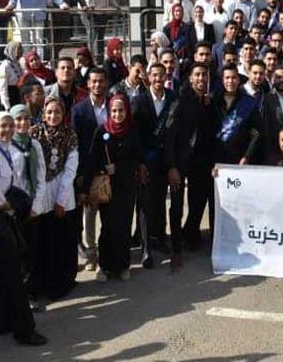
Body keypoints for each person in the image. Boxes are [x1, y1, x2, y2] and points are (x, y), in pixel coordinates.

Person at [0, 113, 48, 346]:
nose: (8, 130)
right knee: (11, 277)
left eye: (11, 125)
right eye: (3, 125)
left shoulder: (0, 149)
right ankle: (24, 330)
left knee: (3, 278)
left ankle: (3, 321)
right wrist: (5, 205)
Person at [164, 63, 215, 267]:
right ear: (191, 78)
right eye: (198, 75)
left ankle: (190, 235)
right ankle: (176, 248)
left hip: (199, 162)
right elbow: (169, 135)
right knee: (176, 207)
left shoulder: (205, 101)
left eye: (204, 75)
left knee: (196, 202)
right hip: (179, 162)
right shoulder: (180, 100)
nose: (201, 78)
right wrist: (172, 167)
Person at [85, 94, 141, 282]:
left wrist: (120, 168)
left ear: (127, 110)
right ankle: (105, 265)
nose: (118, 114)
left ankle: (123, 266)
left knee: (124, 226)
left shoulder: (133, 131)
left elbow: (137, 159)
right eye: (114, 111)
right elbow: (93, 158)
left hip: (126, 187)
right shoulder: (102, 131)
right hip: (107, 187)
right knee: (108, 226)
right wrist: (101, 170)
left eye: (121, 110)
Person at [29, 98, 80, 299]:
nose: (53, 116)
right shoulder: (34, 133)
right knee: (40, 242)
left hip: (62, 194)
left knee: (60, 241)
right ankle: (39, 285)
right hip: (40, 196)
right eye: (49, 112)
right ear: (43, 113)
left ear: (63, 113)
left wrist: (60, 199)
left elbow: (70, 169)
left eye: (57, 112)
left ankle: (60, 284)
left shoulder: (70, 134)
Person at [132, 63, 177, 266]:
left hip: (165, 161)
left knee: (159, 201)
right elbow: (135, 134)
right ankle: (145, 247)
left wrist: (172, 164)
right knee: (144, 205)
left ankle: (159, 238)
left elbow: (176, 133)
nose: (158, 79)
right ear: (149, 77)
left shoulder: (173, 98)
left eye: (162, 76)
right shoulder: (139, 101)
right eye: (155, 75)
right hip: (146, 161)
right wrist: (140, 162)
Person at [8, 105, 46, 312]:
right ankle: (17, 295)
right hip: (13, 208)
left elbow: (41, 177)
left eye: (26, 119)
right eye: (18, 119)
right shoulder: (6, 147)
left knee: (31, 251)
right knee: (15, 254)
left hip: (32, 206)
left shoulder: (35, 145)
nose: (23, 123)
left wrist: (37, 205)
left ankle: (31, 293)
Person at [71, 67, 109, 272]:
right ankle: (92, 254)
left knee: (109, 215)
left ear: (106, 83)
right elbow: (76, 144)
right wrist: (80, 176)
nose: (97, 85)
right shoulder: (79, 110)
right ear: (88, 84)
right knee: (90, 216)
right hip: (87, 171)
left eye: (101, 81)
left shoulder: (114, 106)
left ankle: (108, 253)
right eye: (93, 81)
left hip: (110, 170)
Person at [212, 64, 262, 166]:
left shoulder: (249, 102)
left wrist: (246, 157)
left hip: (239, 160)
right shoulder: (213, 101)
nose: (230, 81)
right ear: (222, 80)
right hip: (215, 158)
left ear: (239, 80)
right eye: (227, 78)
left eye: (234, 77)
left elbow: (257, 134)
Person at [0, 41, 23, 111]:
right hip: (9, 96)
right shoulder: (4, 66)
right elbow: (2, 88)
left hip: (17, 95)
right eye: (19, 49)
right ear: (12, 50)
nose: (21, 51)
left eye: (21, 48)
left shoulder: (18, 64)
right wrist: (7, 106)